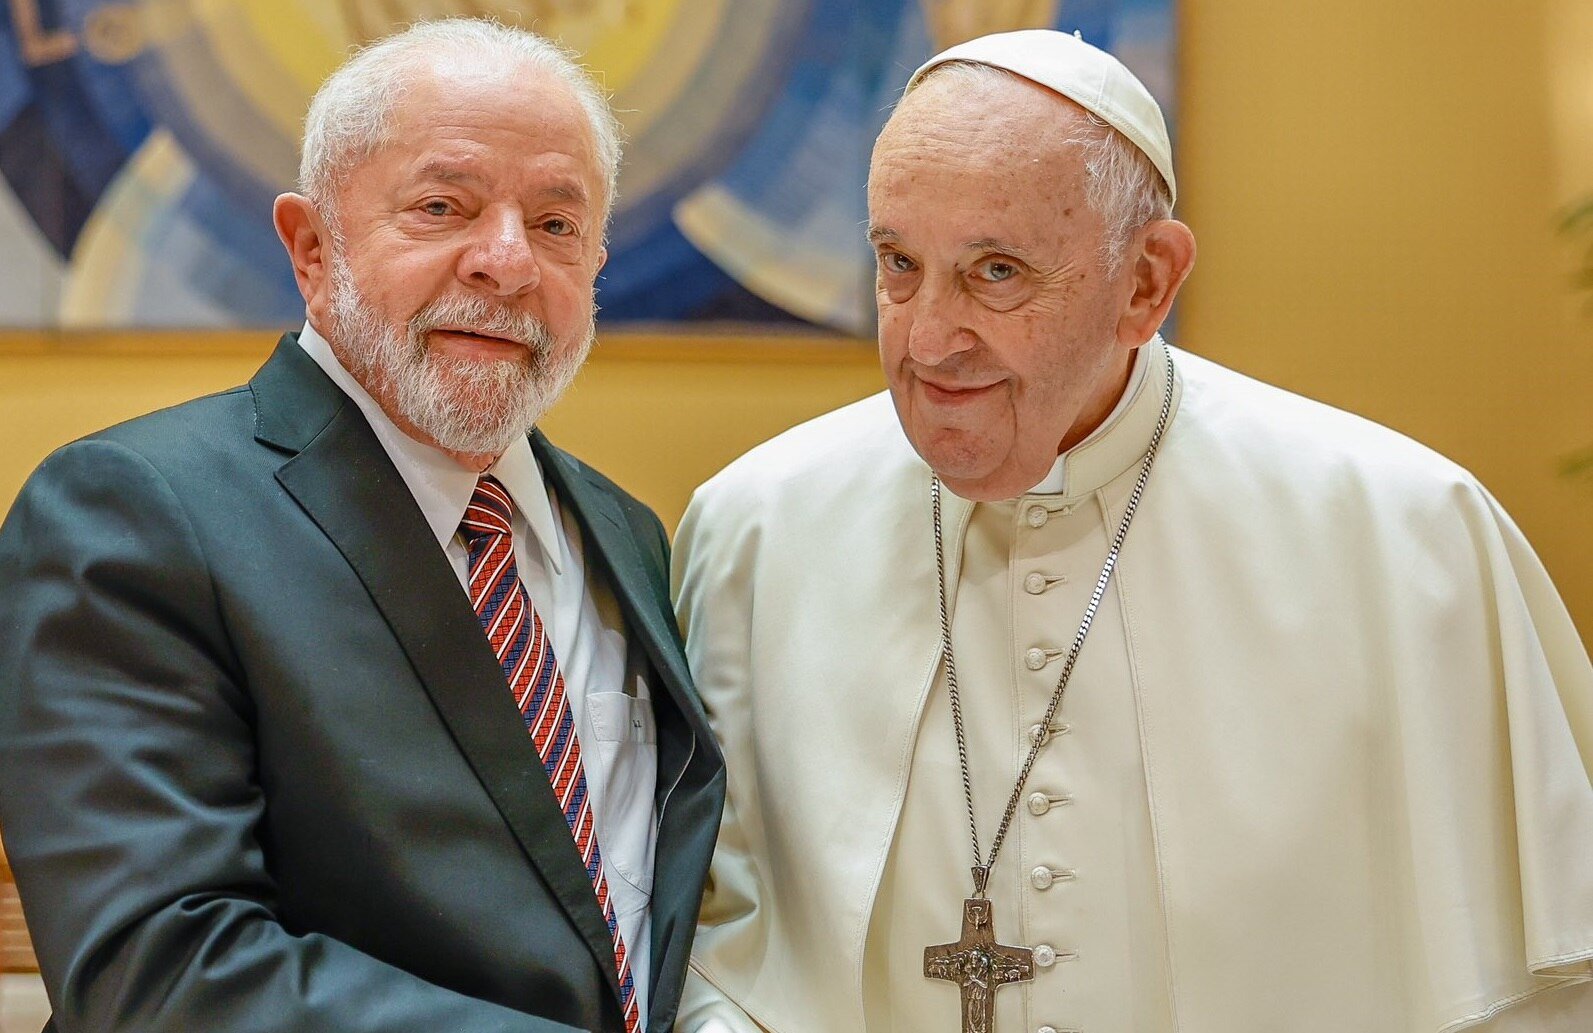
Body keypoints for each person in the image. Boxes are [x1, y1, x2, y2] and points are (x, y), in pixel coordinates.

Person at [671, 29, 1593, 1033]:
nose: (929, 339)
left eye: (997, 272)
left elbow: (1539, 989)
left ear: (1147, 282)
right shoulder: (758, 526)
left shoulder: (1409, 537)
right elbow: (708, 945)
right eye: (899, 263)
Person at [0, 19, 723, 1033]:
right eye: (443, 206)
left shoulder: (626, 532)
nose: (508, 262)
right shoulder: (131, 516)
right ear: (309, 245)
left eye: (558, 226)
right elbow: (160, 970)